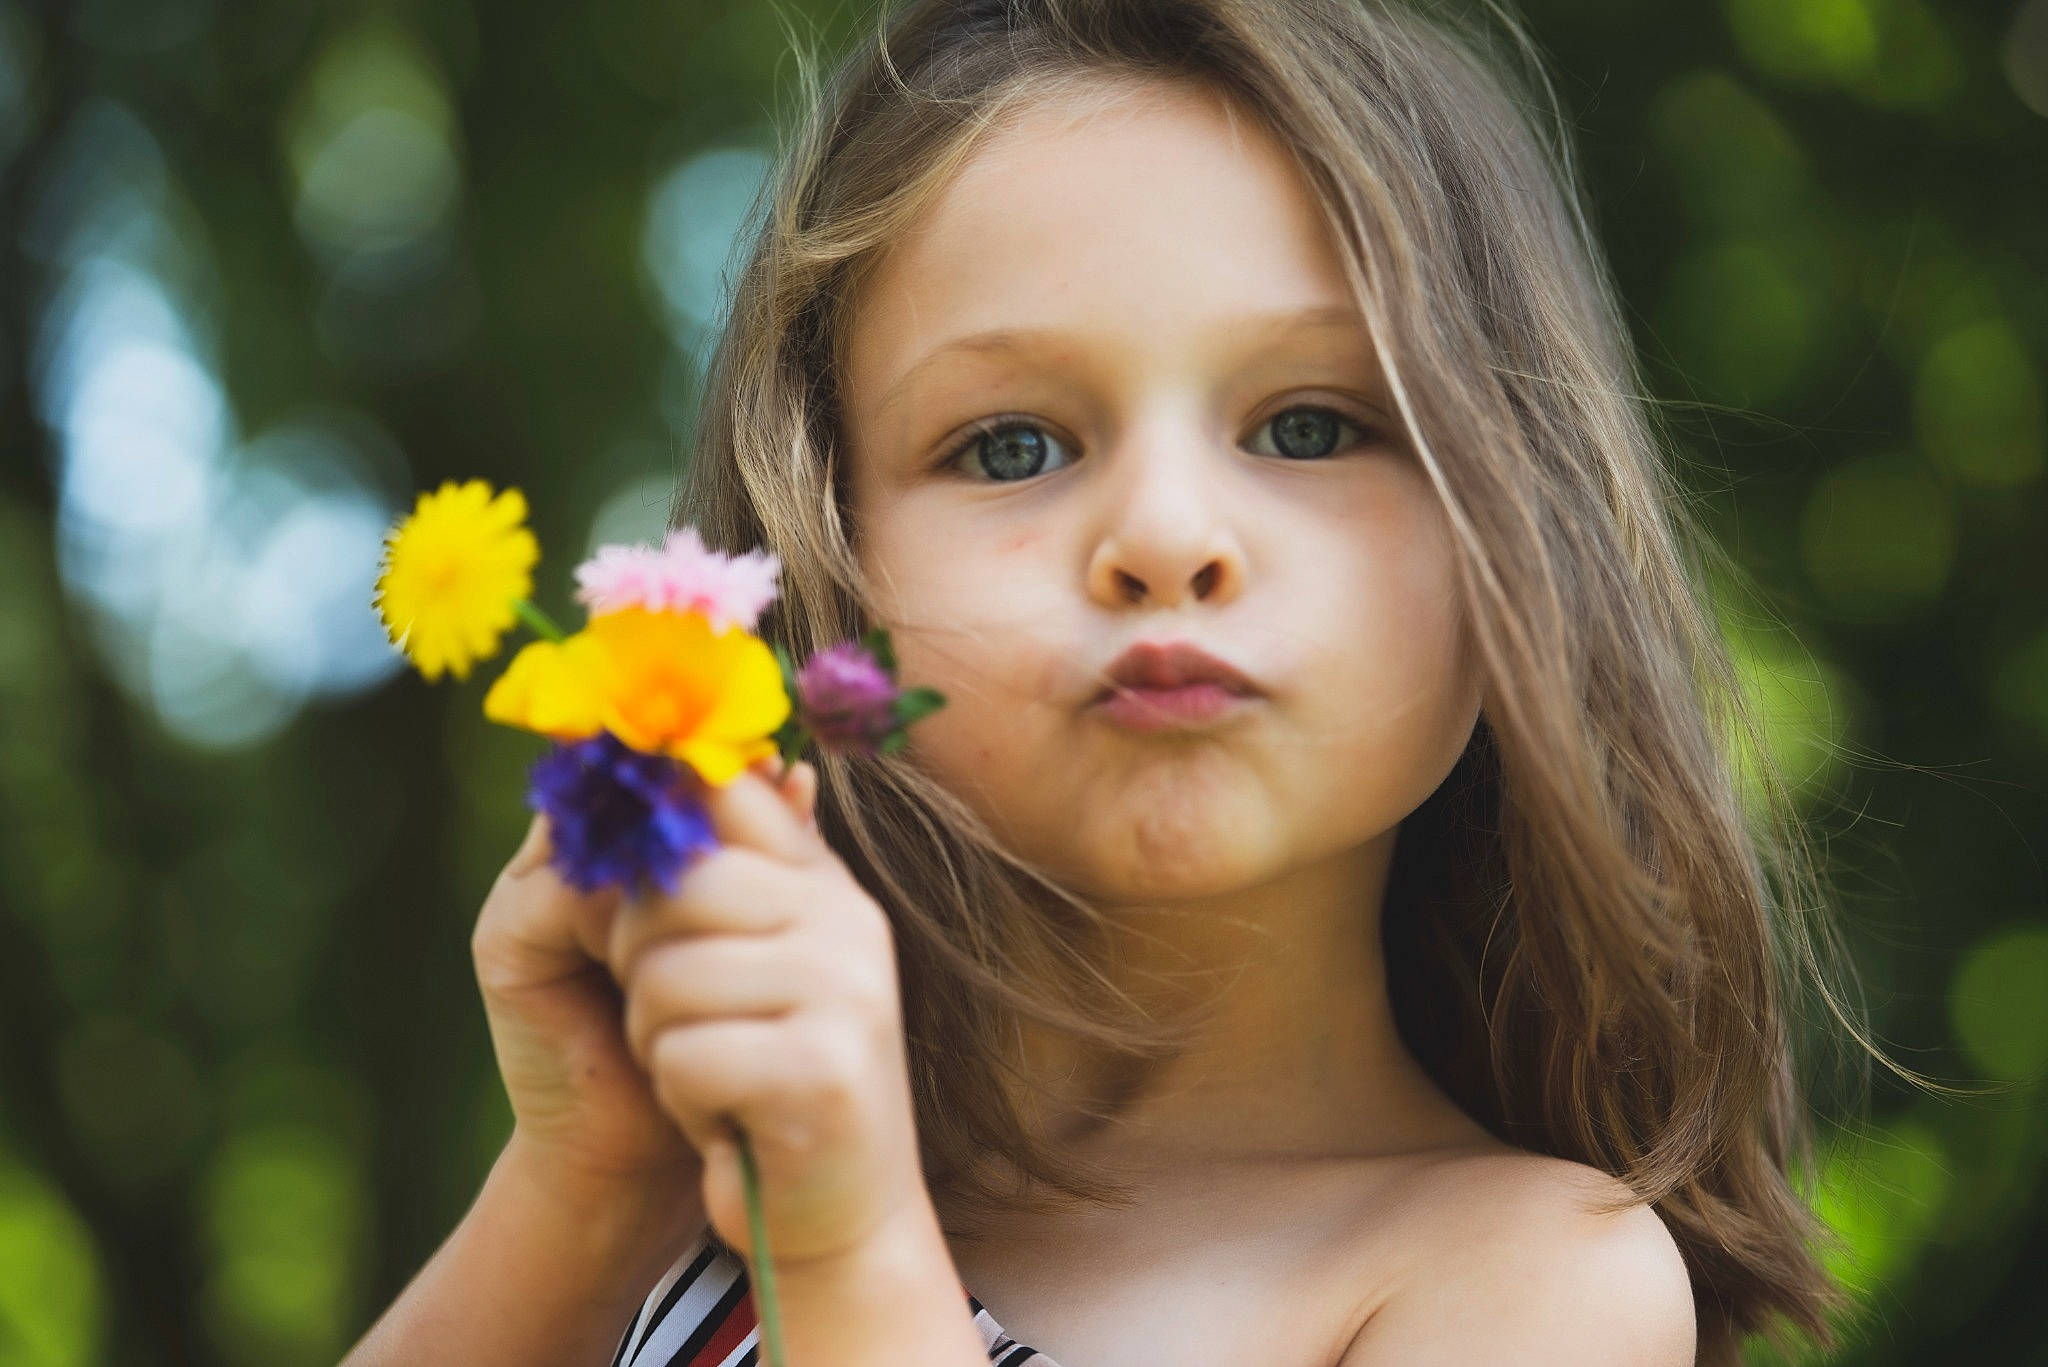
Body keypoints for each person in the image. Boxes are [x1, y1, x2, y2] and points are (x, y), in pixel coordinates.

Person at [340, 0, 1914, 1362]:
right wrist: (587, 1187)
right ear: (831, 565)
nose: (1164, 537)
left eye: (1308, 425)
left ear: (1520, 529)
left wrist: (843, 1248)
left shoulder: (1531, 1280)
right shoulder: (677, 1198)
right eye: (1011, 445)